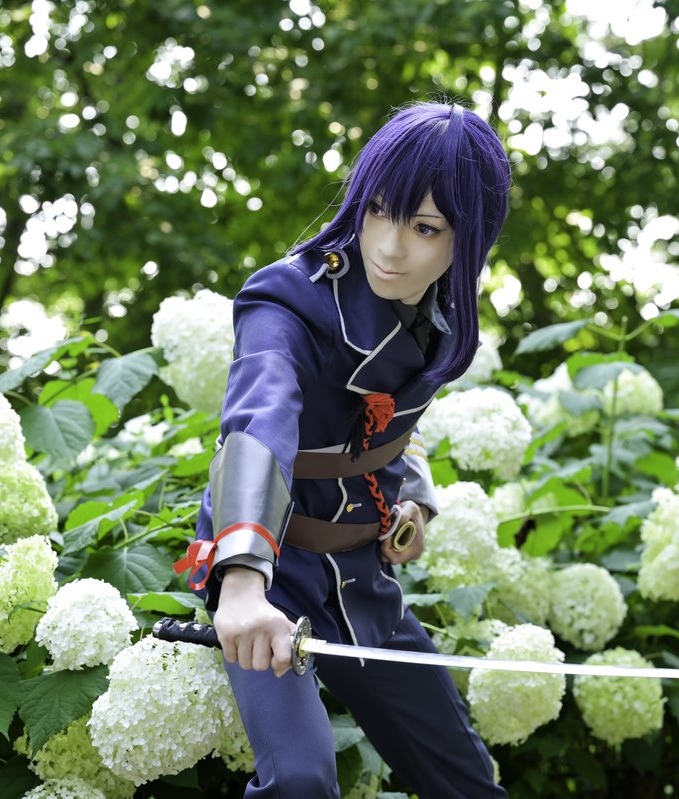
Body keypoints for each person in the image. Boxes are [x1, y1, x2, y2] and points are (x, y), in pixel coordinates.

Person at [174, 102, 511, 798]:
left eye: (425, 227)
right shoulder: (288, 300)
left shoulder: (443, 315)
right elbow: (258, 422)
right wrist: (242, 582)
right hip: (268, 570)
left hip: (360, 576)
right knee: (299, 782)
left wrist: (413, 500)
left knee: (468, 783)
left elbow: (390, 425)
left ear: (467, 238)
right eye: (378, 210)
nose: (389, 246)